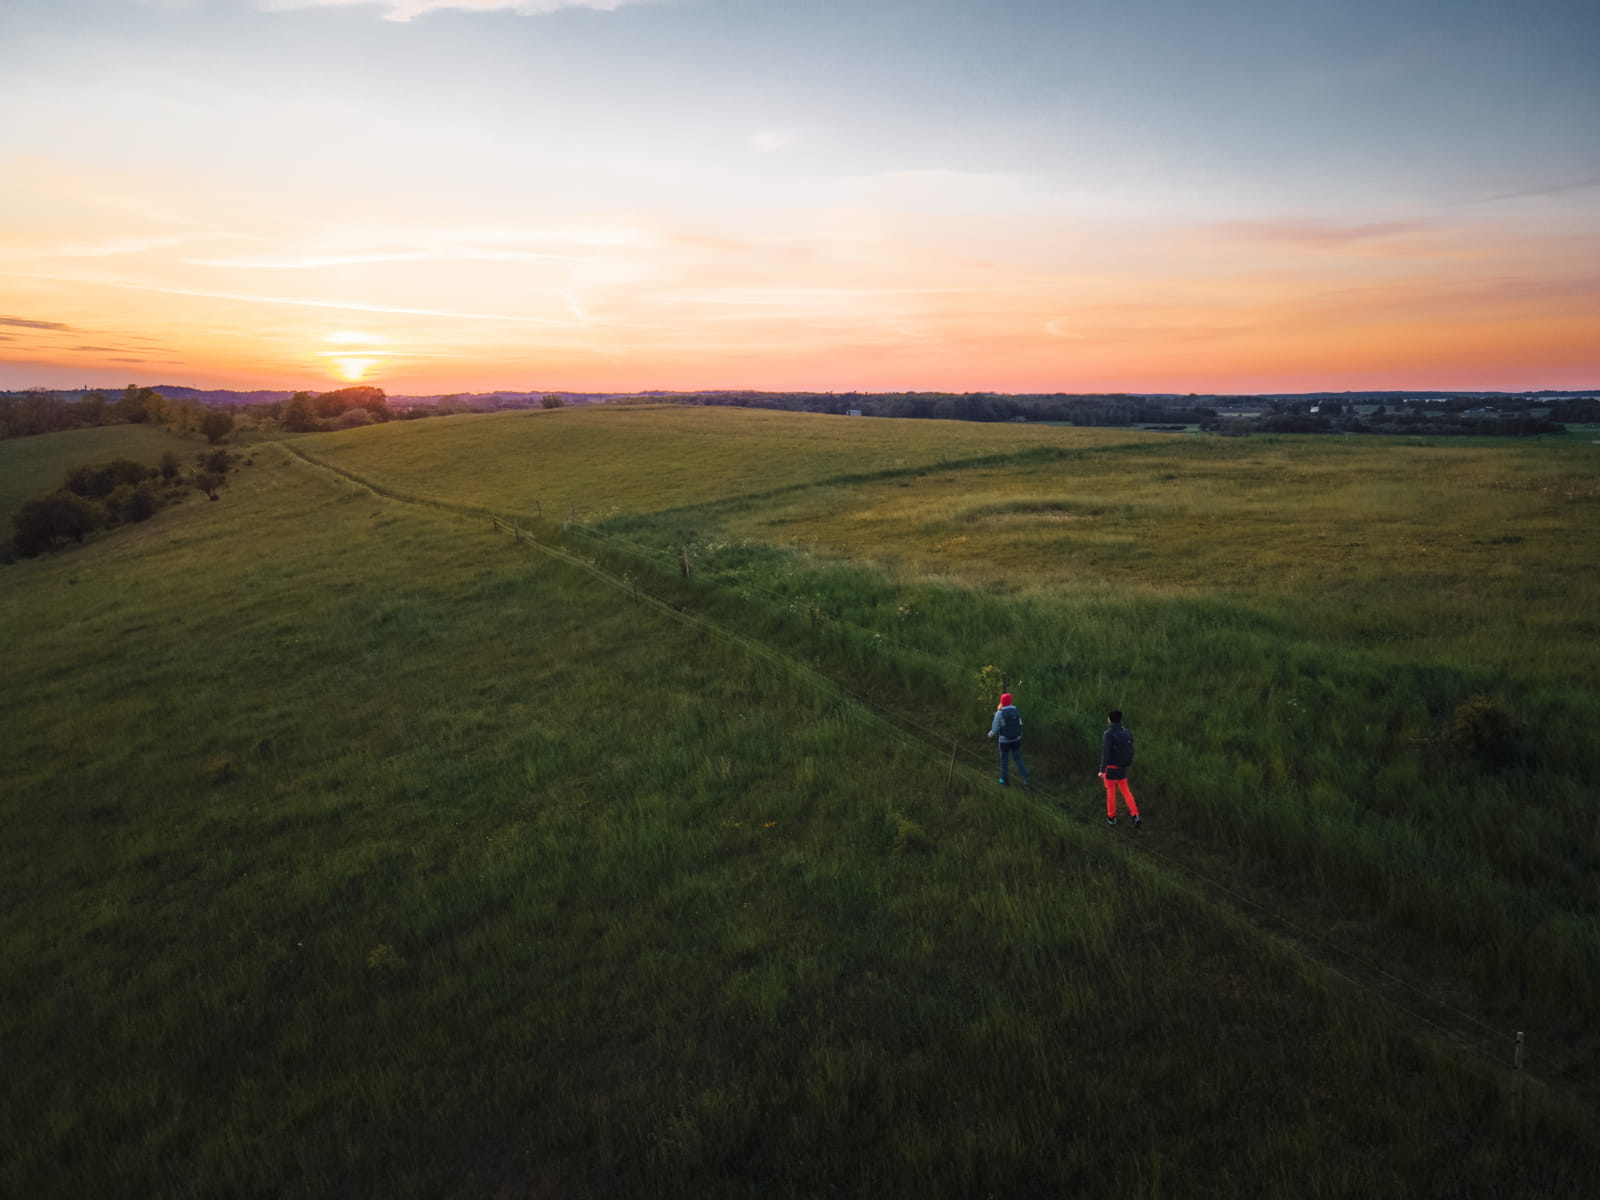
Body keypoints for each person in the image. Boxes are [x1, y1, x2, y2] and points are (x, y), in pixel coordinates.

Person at [1099, 710, 1141, 827]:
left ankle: (1111, 817)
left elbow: (1106, 753)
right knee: (1126, 791)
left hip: (1110, 768)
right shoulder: (1126, 732)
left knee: (1111, 792)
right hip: (1122, 767)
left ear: (1110, 720)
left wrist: (1102, 770)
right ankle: (1135, 814)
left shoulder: (1108, 734)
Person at [987, 692, 1030, 786]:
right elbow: (1020, 724)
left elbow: (995, 729)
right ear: (1011, 701)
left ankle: (1004, 780)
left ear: (1001, 701)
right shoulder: (1016, 711)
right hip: (1016, 739)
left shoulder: (999, 713)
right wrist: (1019, 736)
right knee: (1018, 759)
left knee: (1004, 760)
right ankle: (1026, 778)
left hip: (1004, 741)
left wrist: (989, 735)